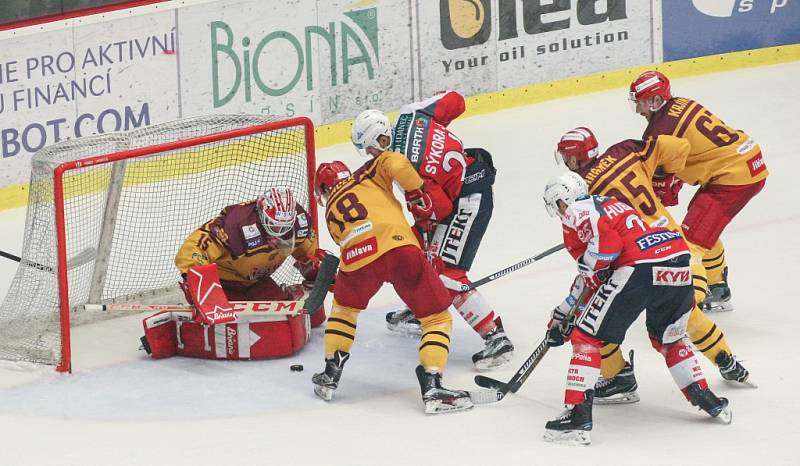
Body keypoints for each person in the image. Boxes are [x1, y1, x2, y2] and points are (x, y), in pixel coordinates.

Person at [552, 126, 753, 405]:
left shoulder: (582, 192)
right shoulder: (624, 151)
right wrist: (664, 180)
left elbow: (599, 254)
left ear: (573, 160)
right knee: (686, 315)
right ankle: (727, 361)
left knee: (597, 319)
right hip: (676, 247)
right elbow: (679, 147)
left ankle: (618, 377)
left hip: (637, 260)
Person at [541, 172, 731, 445]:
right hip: (675, 259)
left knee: (586, 338)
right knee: (670, 338)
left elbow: (605, 255)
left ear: (563, 198)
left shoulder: (576, 211)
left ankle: (577, 417)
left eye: (557, 203)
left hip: (639, 267)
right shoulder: (609, 203)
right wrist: (565, 311)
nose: (559, 210)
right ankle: (707, 398)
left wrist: (569, 314)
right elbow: (599, 268)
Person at [310, 109, 473, 414]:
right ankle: (433, 383)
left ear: (322, 190)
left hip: (356, 261)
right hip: (398, 248)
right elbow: (397, 162)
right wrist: (419, 194)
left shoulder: (331, 210)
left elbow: (347, 239)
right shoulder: (370, 171)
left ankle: (331, 372)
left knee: (344, 311)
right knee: (437, 317)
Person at [384, 90, 513, 371]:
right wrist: (436, 140)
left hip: (468, 200)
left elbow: (438, 210)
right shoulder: (410, 115)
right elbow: (455, 99)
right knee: (409, 252)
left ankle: (496, 337)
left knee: (447, 273)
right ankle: (424, 310)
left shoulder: (407, 167)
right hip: (461, 181)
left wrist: (423, 211)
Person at [629, 70, 768, 313]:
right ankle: (717, 286)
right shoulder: (681, 104)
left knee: (690, 243)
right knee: (700, 229)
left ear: (654, 100)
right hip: (744, 161)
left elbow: (663, 187)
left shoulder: (657, 132)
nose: (638, 110)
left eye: (640, 102)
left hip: (733, 178)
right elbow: (686, 153)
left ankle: (687, 306)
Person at [175, 186, 329, 329]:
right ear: (262, 215)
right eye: (275, 225)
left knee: (283, 323)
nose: (282, 231)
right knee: (230, 325)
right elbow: (195, 246)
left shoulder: (299, 224)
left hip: (256, 281)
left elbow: (308, 253)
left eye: (286, 226)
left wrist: (316, 270)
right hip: (224, 284)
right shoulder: (236, 225)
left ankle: (283, 293)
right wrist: (197, 280)